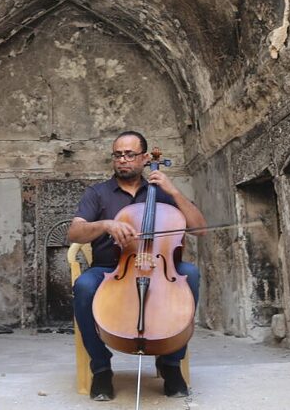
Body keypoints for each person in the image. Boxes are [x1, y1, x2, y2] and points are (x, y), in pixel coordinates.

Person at [67, 130, 206, 401]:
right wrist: (105, 224)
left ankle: (171, 361)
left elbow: (200, 229)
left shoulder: (162, 192)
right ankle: (102, 368)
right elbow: (74, 233)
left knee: (190, 273)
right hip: (110, 269)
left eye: (130, 154)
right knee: (83, 285)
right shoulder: (98, 193)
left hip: (159, 269)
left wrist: (174, 191)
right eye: (118, 155)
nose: (123, 160)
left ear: (144, 158)